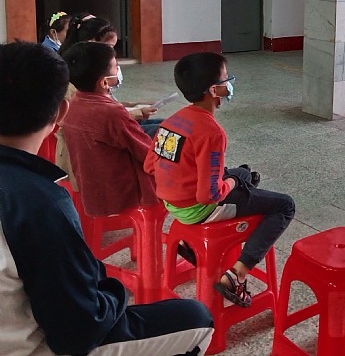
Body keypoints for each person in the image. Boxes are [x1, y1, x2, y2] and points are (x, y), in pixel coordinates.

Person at [0, 40, 214, 355]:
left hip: (88, 187)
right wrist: (117, 291)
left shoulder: (37, 192)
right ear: (60, 111)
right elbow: (79, 329)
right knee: (196, 318)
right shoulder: (39, 203)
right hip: (32, 347)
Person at [144, 52, 296, 308]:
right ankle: (236, 274)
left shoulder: (172, 121)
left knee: (244, 173)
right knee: (284, 205)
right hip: (200, 209)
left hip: (173, 205)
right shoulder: (211, 133)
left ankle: (191, 245)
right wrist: (232, 182)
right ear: (214, 90)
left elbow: (150, 165)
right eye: (227, 79)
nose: (230, 84)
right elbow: (210, 195)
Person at [61, 41, 159, 216]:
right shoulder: (112, 113)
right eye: (116, 67)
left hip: (91, 189)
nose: (118, 70)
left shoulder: (73, 103)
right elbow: (147, 154)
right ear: (104, 82)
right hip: (120, 195)